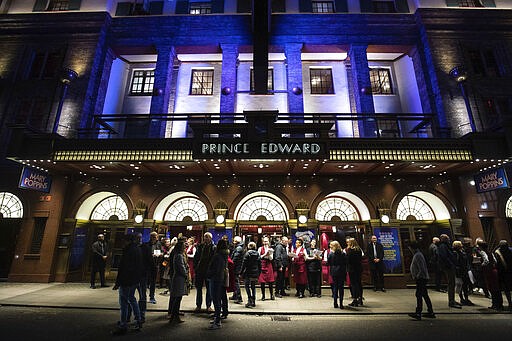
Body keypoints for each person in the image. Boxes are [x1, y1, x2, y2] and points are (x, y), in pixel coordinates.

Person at [111, 233, 143, 335]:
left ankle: (123, 324)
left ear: (127, 241)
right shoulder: (137, 249)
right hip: (134, 280)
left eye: (123, 240)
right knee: (132, 298)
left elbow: (123, 268)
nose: (122, 243)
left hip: (126, 280)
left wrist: (118, 282)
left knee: (123, 302)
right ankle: (138, 319)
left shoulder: (128, 250)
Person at [408, 240, 435, 320]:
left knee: (419, 295)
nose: (409, 249)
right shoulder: (417, 254)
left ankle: (418, 313)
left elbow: (422, 268)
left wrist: (417, 276)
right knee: (424, 295)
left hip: (421, 278)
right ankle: (430, 311)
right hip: (422, 278)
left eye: (410, 248)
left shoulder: (418, 255)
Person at [207, 239, 229, 330]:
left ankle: (217, 321)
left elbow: (214, 269)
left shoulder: (217, 256)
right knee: (218, 299)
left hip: (215, 279)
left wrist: (209, 274)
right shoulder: (224, 255)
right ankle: (217, 318)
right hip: (220, 279)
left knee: (216, 299)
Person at [478, 239, 503, 311]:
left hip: (488, 271)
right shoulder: (490, 252)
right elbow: (495, 261)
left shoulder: (483, 252)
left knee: (492, 288)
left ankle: (495, 304)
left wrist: (481, 265)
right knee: (496, 288)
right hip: (494, 270)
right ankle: (499, 304)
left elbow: (486, 260)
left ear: (481, 247)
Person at [168, 238, 189, 324]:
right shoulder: (179, 256)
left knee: (177, 297)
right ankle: (174, 315)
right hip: (179, 278)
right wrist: (186, 275)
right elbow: (181, 267)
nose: (185, 248)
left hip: (178, 277)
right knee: (177, 297)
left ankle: (174, 315)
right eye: (183, 246)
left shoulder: (178, 255)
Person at [194, 232, 216, 312]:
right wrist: (196, 267)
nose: (205, 238)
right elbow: (196, 257)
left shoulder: (213, 247)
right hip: (200, 270)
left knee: (209, 289)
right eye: (205, 237)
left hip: (208, 271)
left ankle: (208, 305)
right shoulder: (200, 246)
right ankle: (198, 305)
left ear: (210, 238)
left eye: (207, 237)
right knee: (199, 288)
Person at [437, 234, 461, 308]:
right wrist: (451, 264)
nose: (449, 240)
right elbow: (444, 257)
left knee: (452, 283)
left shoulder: (445, 246)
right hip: (448, 267)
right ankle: (451, 301)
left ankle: (452, 299)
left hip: (449, 266)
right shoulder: (443, 246)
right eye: (448, 238)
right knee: (451, 283)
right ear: (444, 239)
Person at [241, 241, 261, 308]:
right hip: (255, 272)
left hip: (248, 272)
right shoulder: (257, 254)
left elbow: (244, 264)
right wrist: (259, 273)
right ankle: (253, 300)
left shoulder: (247, 254)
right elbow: (260, 264)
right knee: (253, 286)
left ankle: (249, 299)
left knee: (247, 286)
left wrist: (241, 272)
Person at [327, 240, 347, 309]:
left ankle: (335, 303)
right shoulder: (343, 253)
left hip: (334, 272)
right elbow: (345, 262)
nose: (330, 246)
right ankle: (341, 304)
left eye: (331, 245)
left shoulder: (331, 254)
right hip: (341, 271)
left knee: (335, 287)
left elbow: (328, 263)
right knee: (341, 288)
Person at [494, 240, 512, 310]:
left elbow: (497, 263)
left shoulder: (498, 252)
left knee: (507, 289)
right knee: (507, 289)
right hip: (505, 273)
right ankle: (510, 303)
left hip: (505, 272)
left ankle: (510, 303)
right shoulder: (499, 252)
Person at [347, 238, 363, 307]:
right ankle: (360, 299)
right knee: (359, 283)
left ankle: (355, 300)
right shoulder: (359, 250)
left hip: (352, 269)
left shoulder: (350, 250)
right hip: (358, 269)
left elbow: (348, 260)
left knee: (353, 284)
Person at [258, 236, 275, 300]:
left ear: (268, 242)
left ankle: (271, 295)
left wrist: (269, 255)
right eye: (264, 241)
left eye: (266, 241)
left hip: (268, 265)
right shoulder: (260, 248)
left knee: (270, 282)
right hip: (262, 265)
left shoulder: (271, 249)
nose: (265, 242)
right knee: (262, 282)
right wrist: (265, 254)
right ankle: (263, 296)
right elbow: (259, 257)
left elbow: (271, 258)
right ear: (262, 242)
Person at [146, 232, 161, 304]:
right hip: (148, 265)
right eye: (153, 237)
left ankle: (152, 296)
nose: (155, 238)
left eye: (156, 237)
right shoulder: (147, 244)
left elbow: (161, 252)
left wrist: (160, 254)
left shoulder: (158, 244)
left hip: (155, 264)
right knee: (146, 281)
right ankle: (143, 296)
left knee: (153, 282)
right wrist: (150, 255)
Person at [230, 236, 244, 303]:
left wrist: (231, 263)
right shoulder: (239, 247)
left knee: (236, 282)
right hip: (237, 267)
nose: (233, 242)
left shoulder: (238, 248)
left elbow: (235, 258)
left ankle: (239, 297)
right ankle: (235, 295)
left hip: (236, 268)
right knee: (235, 281)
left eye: (234, 241)